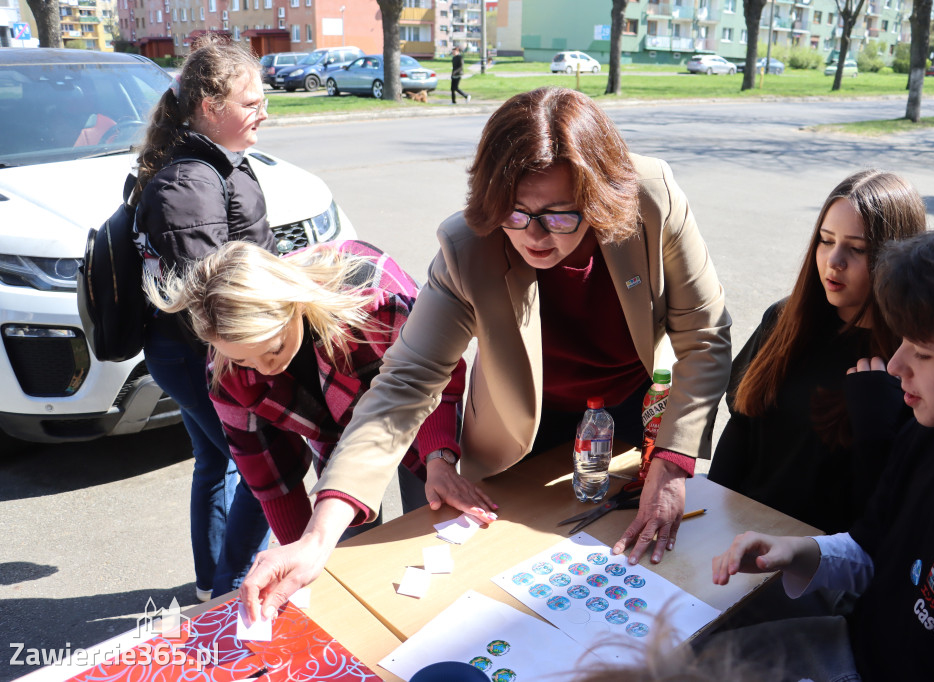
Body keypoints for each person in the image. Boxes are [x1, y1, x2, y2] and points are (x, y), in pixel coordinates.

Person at [240, 86, 731, 620]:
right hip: (520, 427)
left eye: (560, 215)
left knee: (638, 569)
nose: (534, 235)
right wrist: (317, 538)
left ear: (599, 196)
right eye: (515, 214)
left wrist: (673, 464)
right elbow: (403, 385)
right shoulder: (467, 245)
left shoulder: (652, 199)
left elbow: (704, 335)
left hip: (630, 406)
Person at [711, 216, 934, 680]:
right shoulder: (932, 436)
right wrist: (798, 551)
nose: (896, 365)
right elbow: (871, 547)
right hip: (850, 647)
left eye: (922, 351)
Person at [145, 240, 466, 546]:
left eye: (273, 349)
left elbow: (436, 376)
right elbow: (271, 475)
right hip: (334, 432)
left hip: (419, 409)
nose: (262, 369)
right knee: (343, 541)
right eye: (243, 359)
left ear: (294, 305)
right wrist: (301, 557)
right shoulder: (228, 372)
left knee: (432, 516)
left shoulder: (372, 299)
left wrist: (439, 458)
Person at [133, 34, 274, 600]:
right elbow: (216, 297)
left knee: (215, 463)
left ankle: (210, 586)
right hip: (196, 354)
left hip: (181, 352)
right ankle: (236, 586)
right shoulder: (188, 183)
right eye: (251, 103)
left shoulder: (203, 166)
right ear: (211, 108)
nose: (265, 111)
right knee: (262, 467)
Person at [709, 170, 925, 534]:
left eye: (857, 249)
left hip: (821, 562)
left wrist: (876, 427)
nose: (833, 261)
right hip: (737, 532)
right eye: (826, 241)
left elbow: (893, 509)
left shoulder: (913, 357)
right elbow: (742, 424)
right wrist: (711, 512)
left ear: (897, 257)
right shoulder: (784, 319)